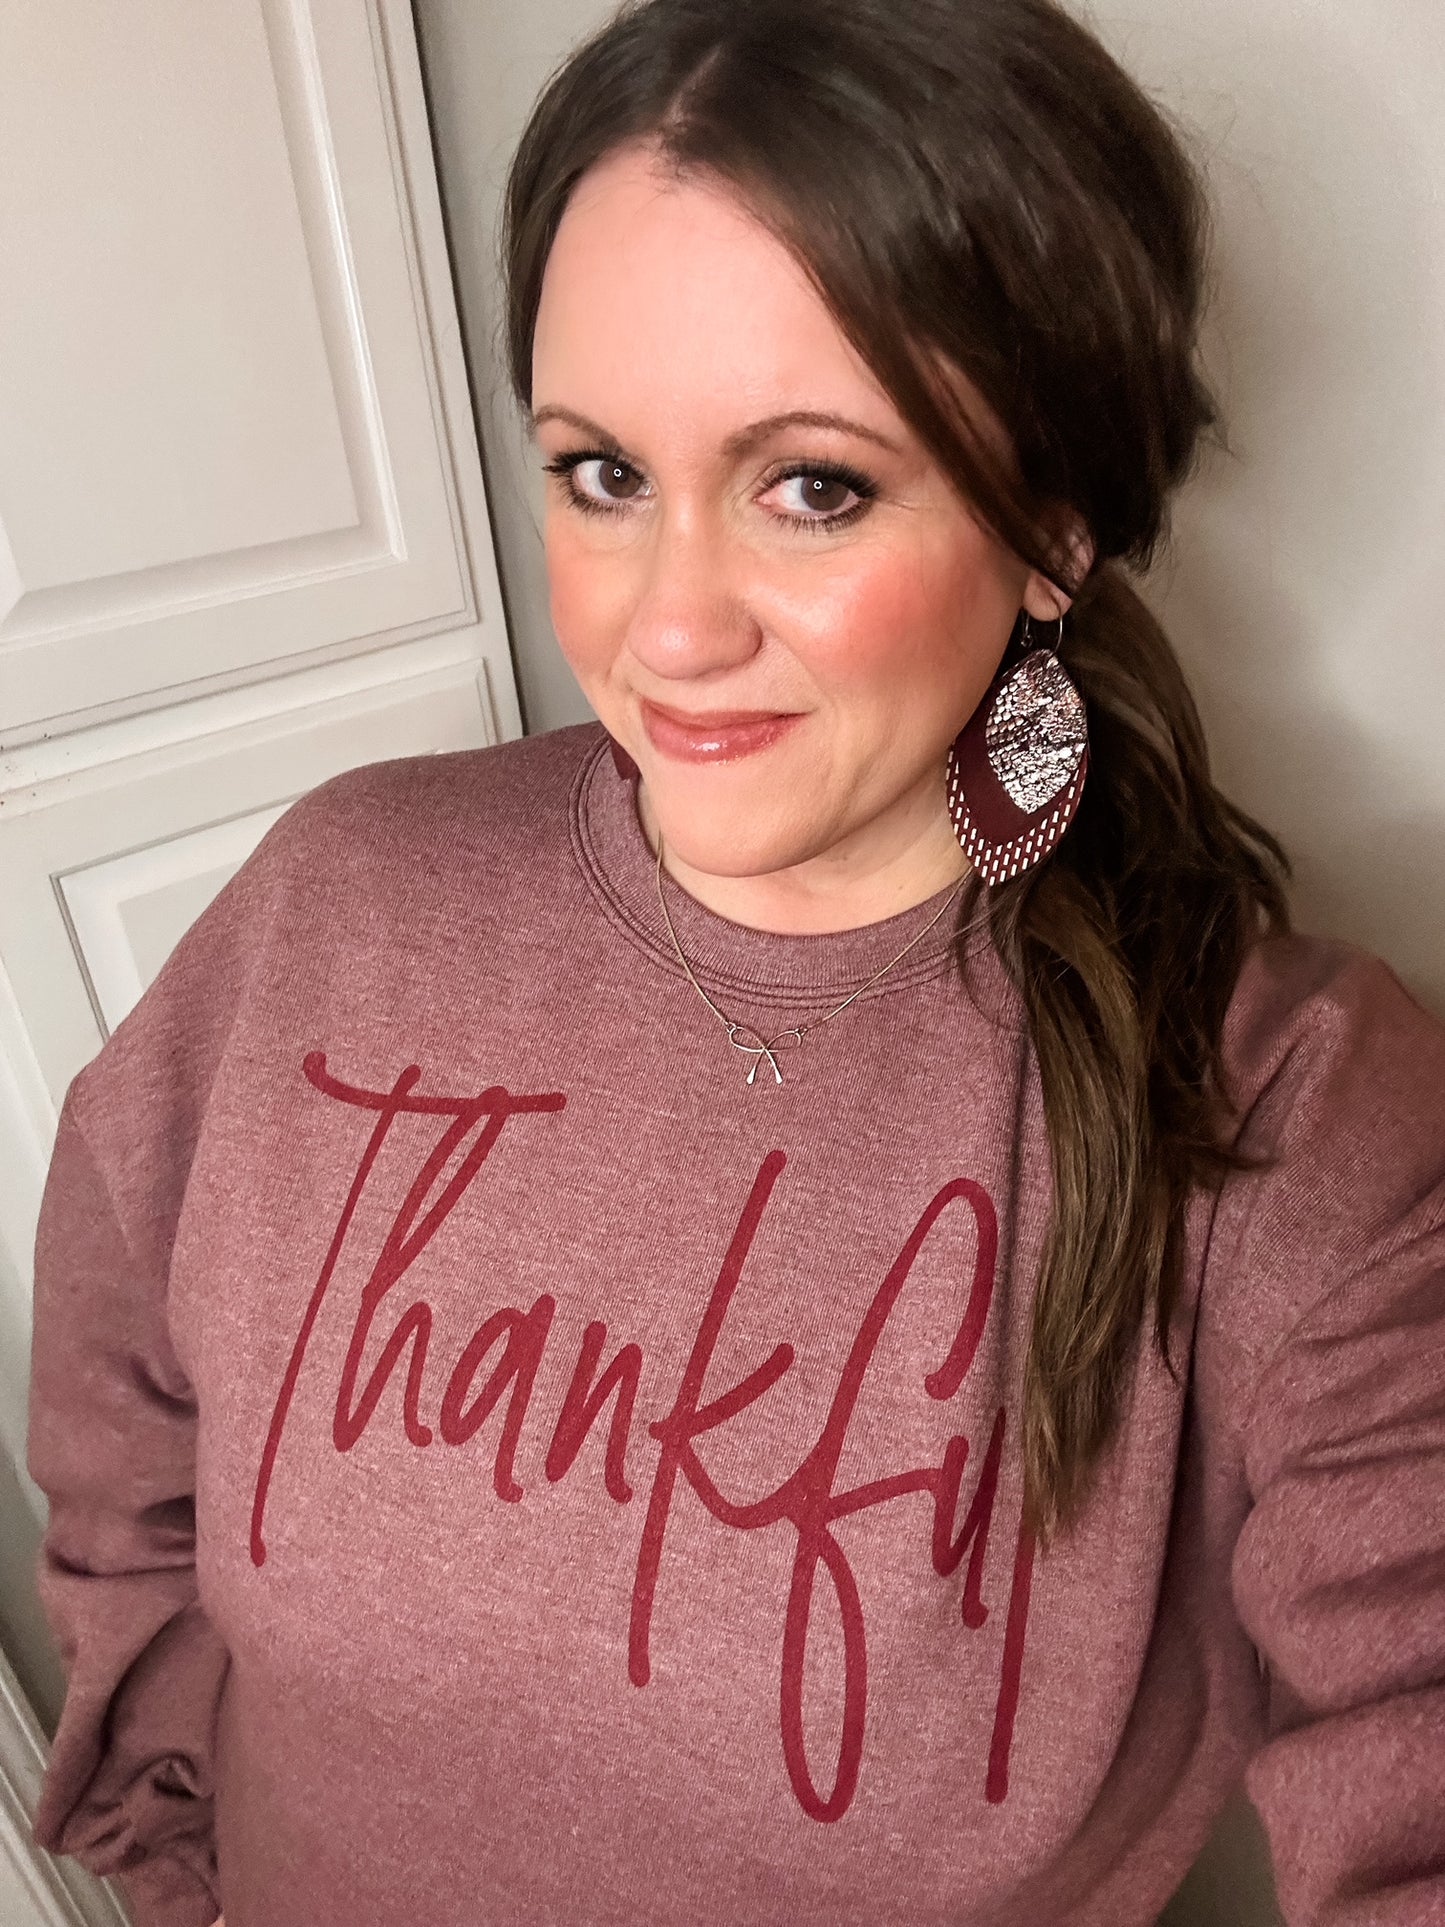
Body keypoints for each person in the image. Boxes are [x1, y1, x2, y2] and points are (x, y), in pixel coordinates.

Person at [23, 0, 1445, 1922]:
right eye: (601, 472)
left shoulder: (1294, 1117)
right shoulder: (341, 904)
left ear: (1051, 527)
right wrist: (183, 1858)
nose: (665, 629)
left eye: (814, 486)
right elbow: (122, 1431)